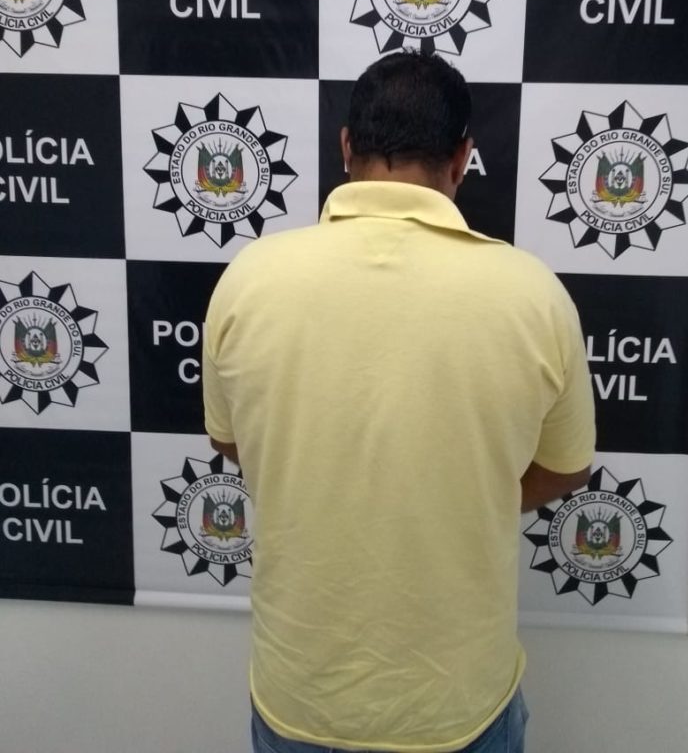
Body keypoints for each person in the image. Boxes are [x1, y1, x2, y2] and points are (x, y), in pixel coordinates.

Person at [203, 51, 595, 753]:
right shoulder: (534, 295)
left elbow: (230, 441)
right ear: (463, 158)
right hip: (457, 705)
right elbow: (565, 468)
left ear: (345, 146)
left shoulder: (247, 281)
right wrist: (461, 491)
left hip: (301, 695)